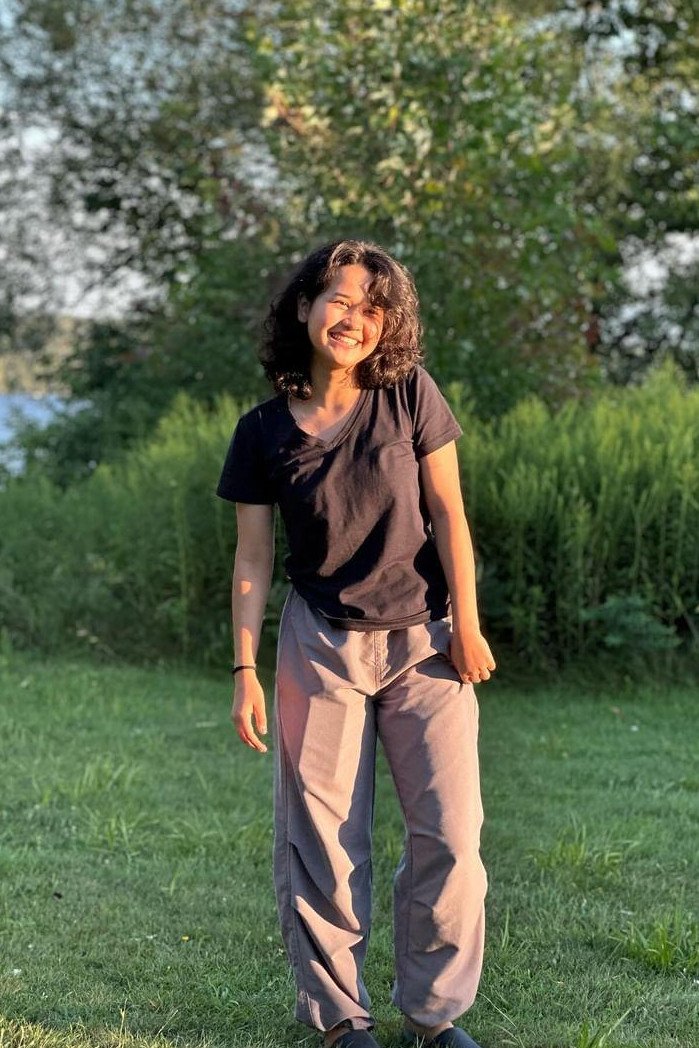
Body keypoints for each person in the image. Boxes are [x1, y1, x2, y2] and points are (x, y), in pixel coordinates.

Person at [215, 238, 496, 1048]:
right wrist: (244, 667)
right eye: (340, 299)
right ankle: (341, 1017)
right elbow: (252, 558)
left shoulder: (409, 394)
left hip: (425, 643)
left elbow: (448, 514)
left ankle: (435, 1017)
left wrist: (467, 622)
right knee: (323, 844)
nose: (354, 319)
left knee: (450, 836)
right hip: (320, 645)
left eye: (373, 308)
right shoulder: (261, 431)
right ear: (304, 306)